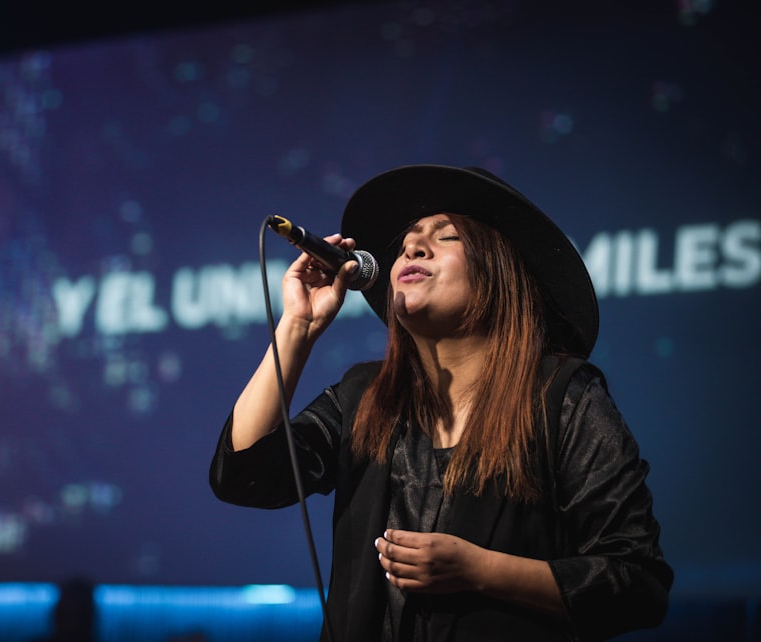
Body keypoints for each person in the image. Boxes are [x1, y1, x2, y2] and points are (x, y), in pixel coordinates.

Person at [209, 165, 672, 641]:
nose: (412, 247)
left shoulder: (563, 398)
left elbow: (637, 581)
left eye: (446, 237)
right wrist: (297, 330)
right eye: (408, 241)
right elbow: (244, 475)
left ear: (498, 273)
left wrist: (479, 570)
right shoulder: (363, 397)